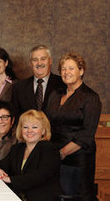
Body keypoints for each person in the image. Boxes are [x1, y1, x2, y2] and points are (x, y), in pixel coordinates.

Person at [46, 53, 101, 200]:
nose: (66, 72)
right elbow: (46, 122)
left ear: (81, 71)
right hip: (54, 156)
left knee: (78, 197)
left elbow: (86, 134)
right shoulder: (55, 94)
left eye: (71, 68)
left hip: (78, 158)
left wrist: (62, 153)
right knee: (56, 195)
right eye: (63, 69)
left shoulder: (91, 97)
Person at [0, 110, 62, 201]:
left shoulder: (50, 149)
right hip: (17, 197)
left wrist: (11, 180)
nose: (29, 131)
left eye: (34, 127)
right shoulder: (17, 148)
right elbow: (0, 164)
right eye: (25, 127)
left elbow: (41, 175)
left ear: (43, 131)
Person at [12, 45, 65, 117]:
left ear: (50, 61)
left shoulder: (63, 84)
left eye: (43, 59)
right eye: (35, 60)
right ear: (31, 63)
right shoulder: (19, 88)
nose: (39, 63)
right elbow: (16, 117)